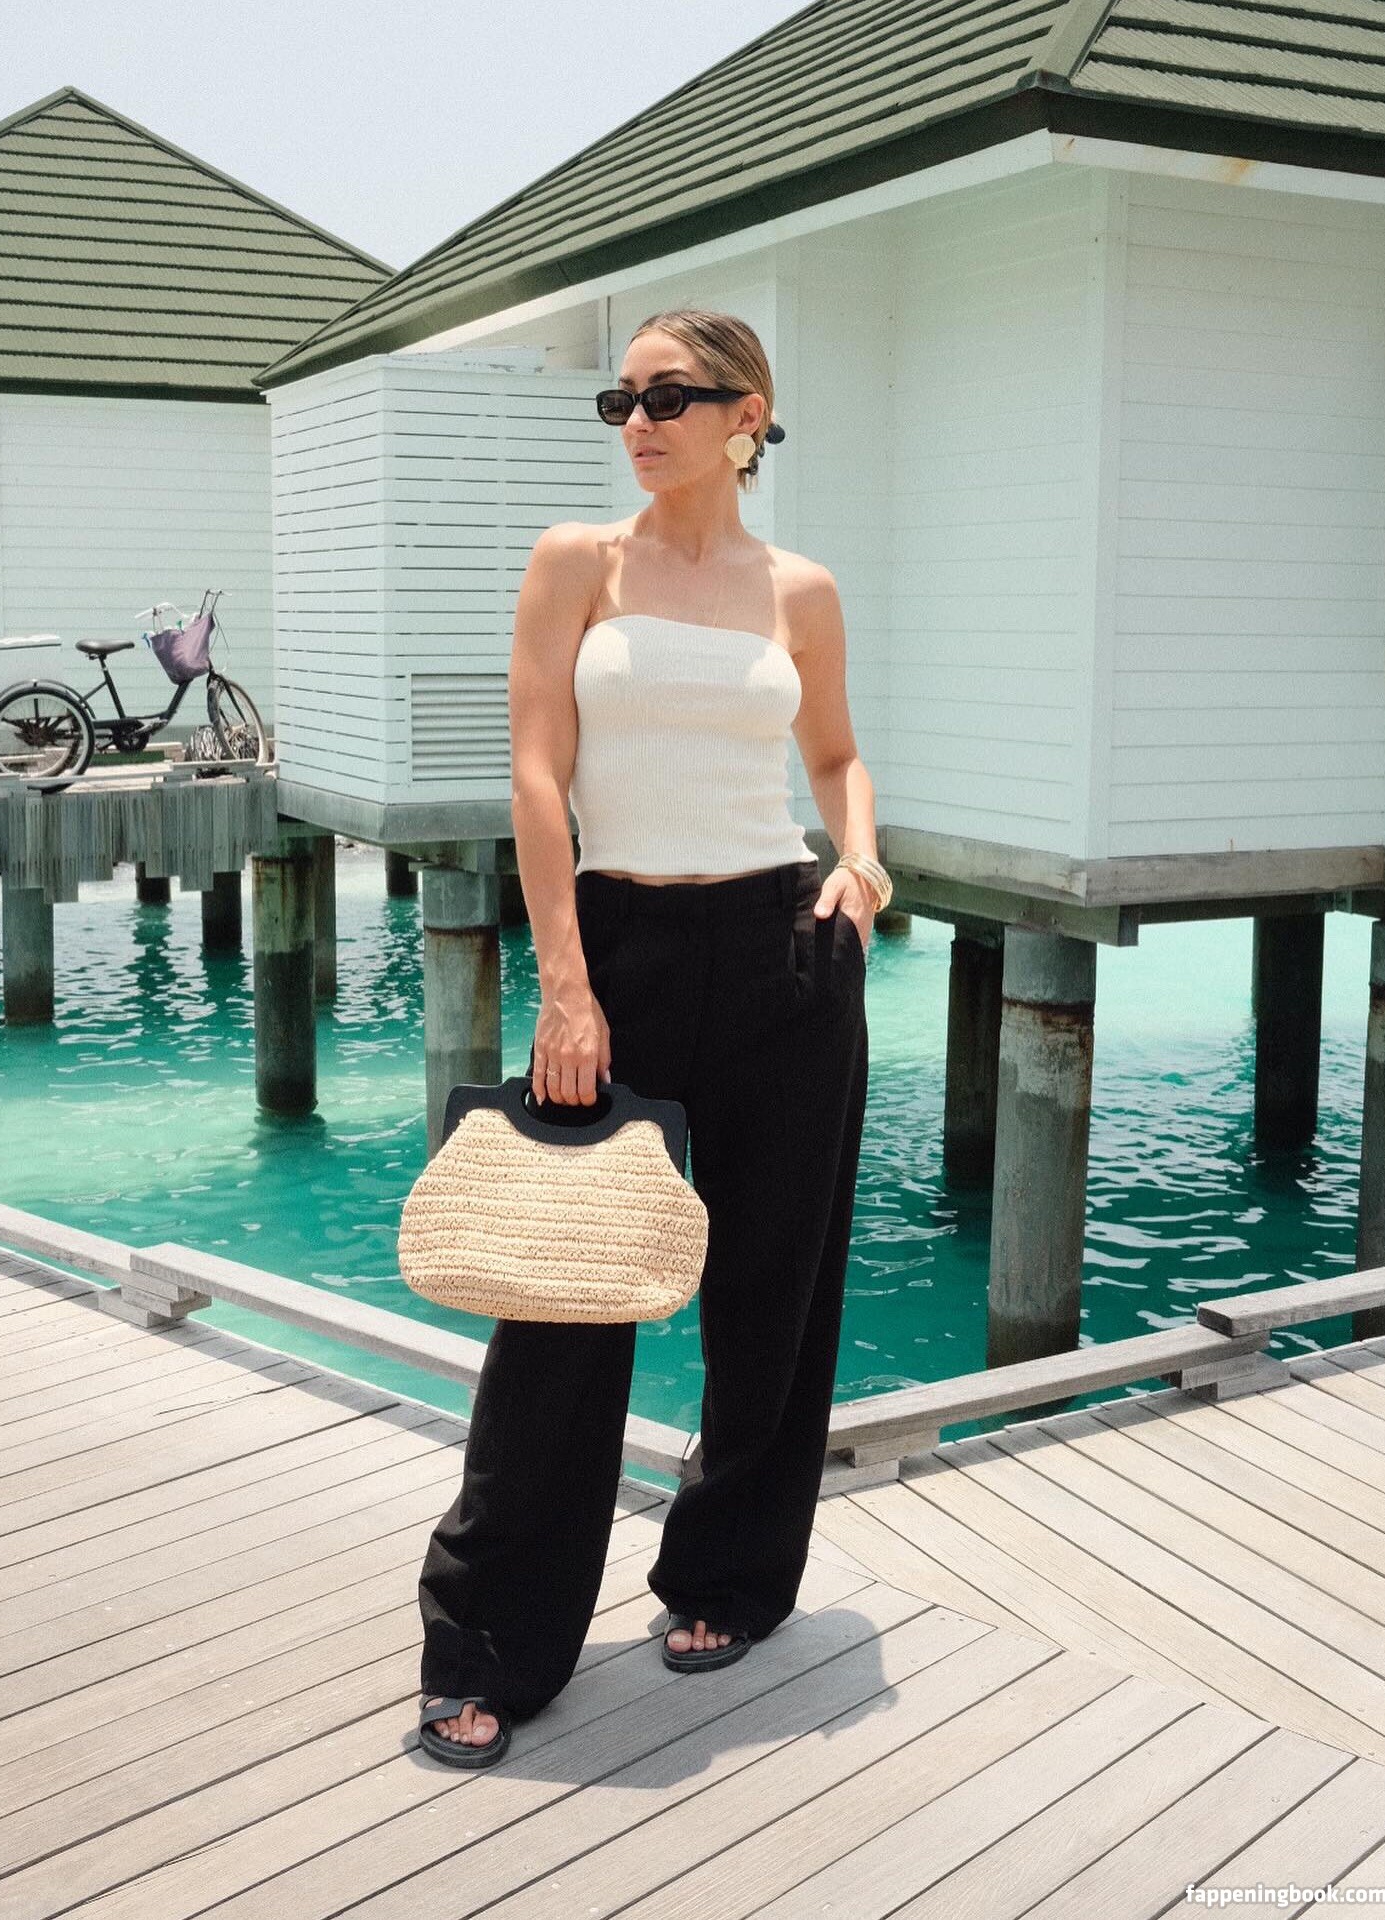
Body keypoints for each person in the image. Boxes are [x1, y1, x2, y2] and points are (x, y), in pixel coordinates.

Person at [414, 306, 890, 1767]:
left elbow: (834, 755)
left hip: (785, 949)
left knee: (773, 1288)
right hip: (617, 947)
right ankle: (490, 1638)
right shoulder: (578, 562)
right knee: (565, 1301)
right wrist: (564, 983)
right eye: (622, 396)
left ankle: (729, 1579)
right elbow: (535, 772)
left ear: (748, 416)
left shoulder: (800, 589)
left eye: (671, 396)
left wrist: (863, 862)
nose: (639, 420)